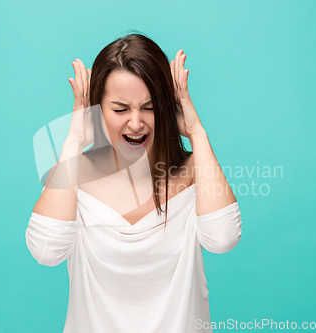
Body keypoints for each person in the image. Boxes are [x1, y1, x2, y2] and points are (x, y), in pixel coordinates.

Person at [25, 32, 242, 333]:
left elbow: (223, 238)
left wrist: (197, 132)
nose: (137, 122)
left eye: (150, 107)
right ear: (96, 109)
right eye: (120, 109)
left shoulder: (194, 170)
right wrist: (74, 141)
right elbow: (46, 251)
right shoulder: (73, 174)